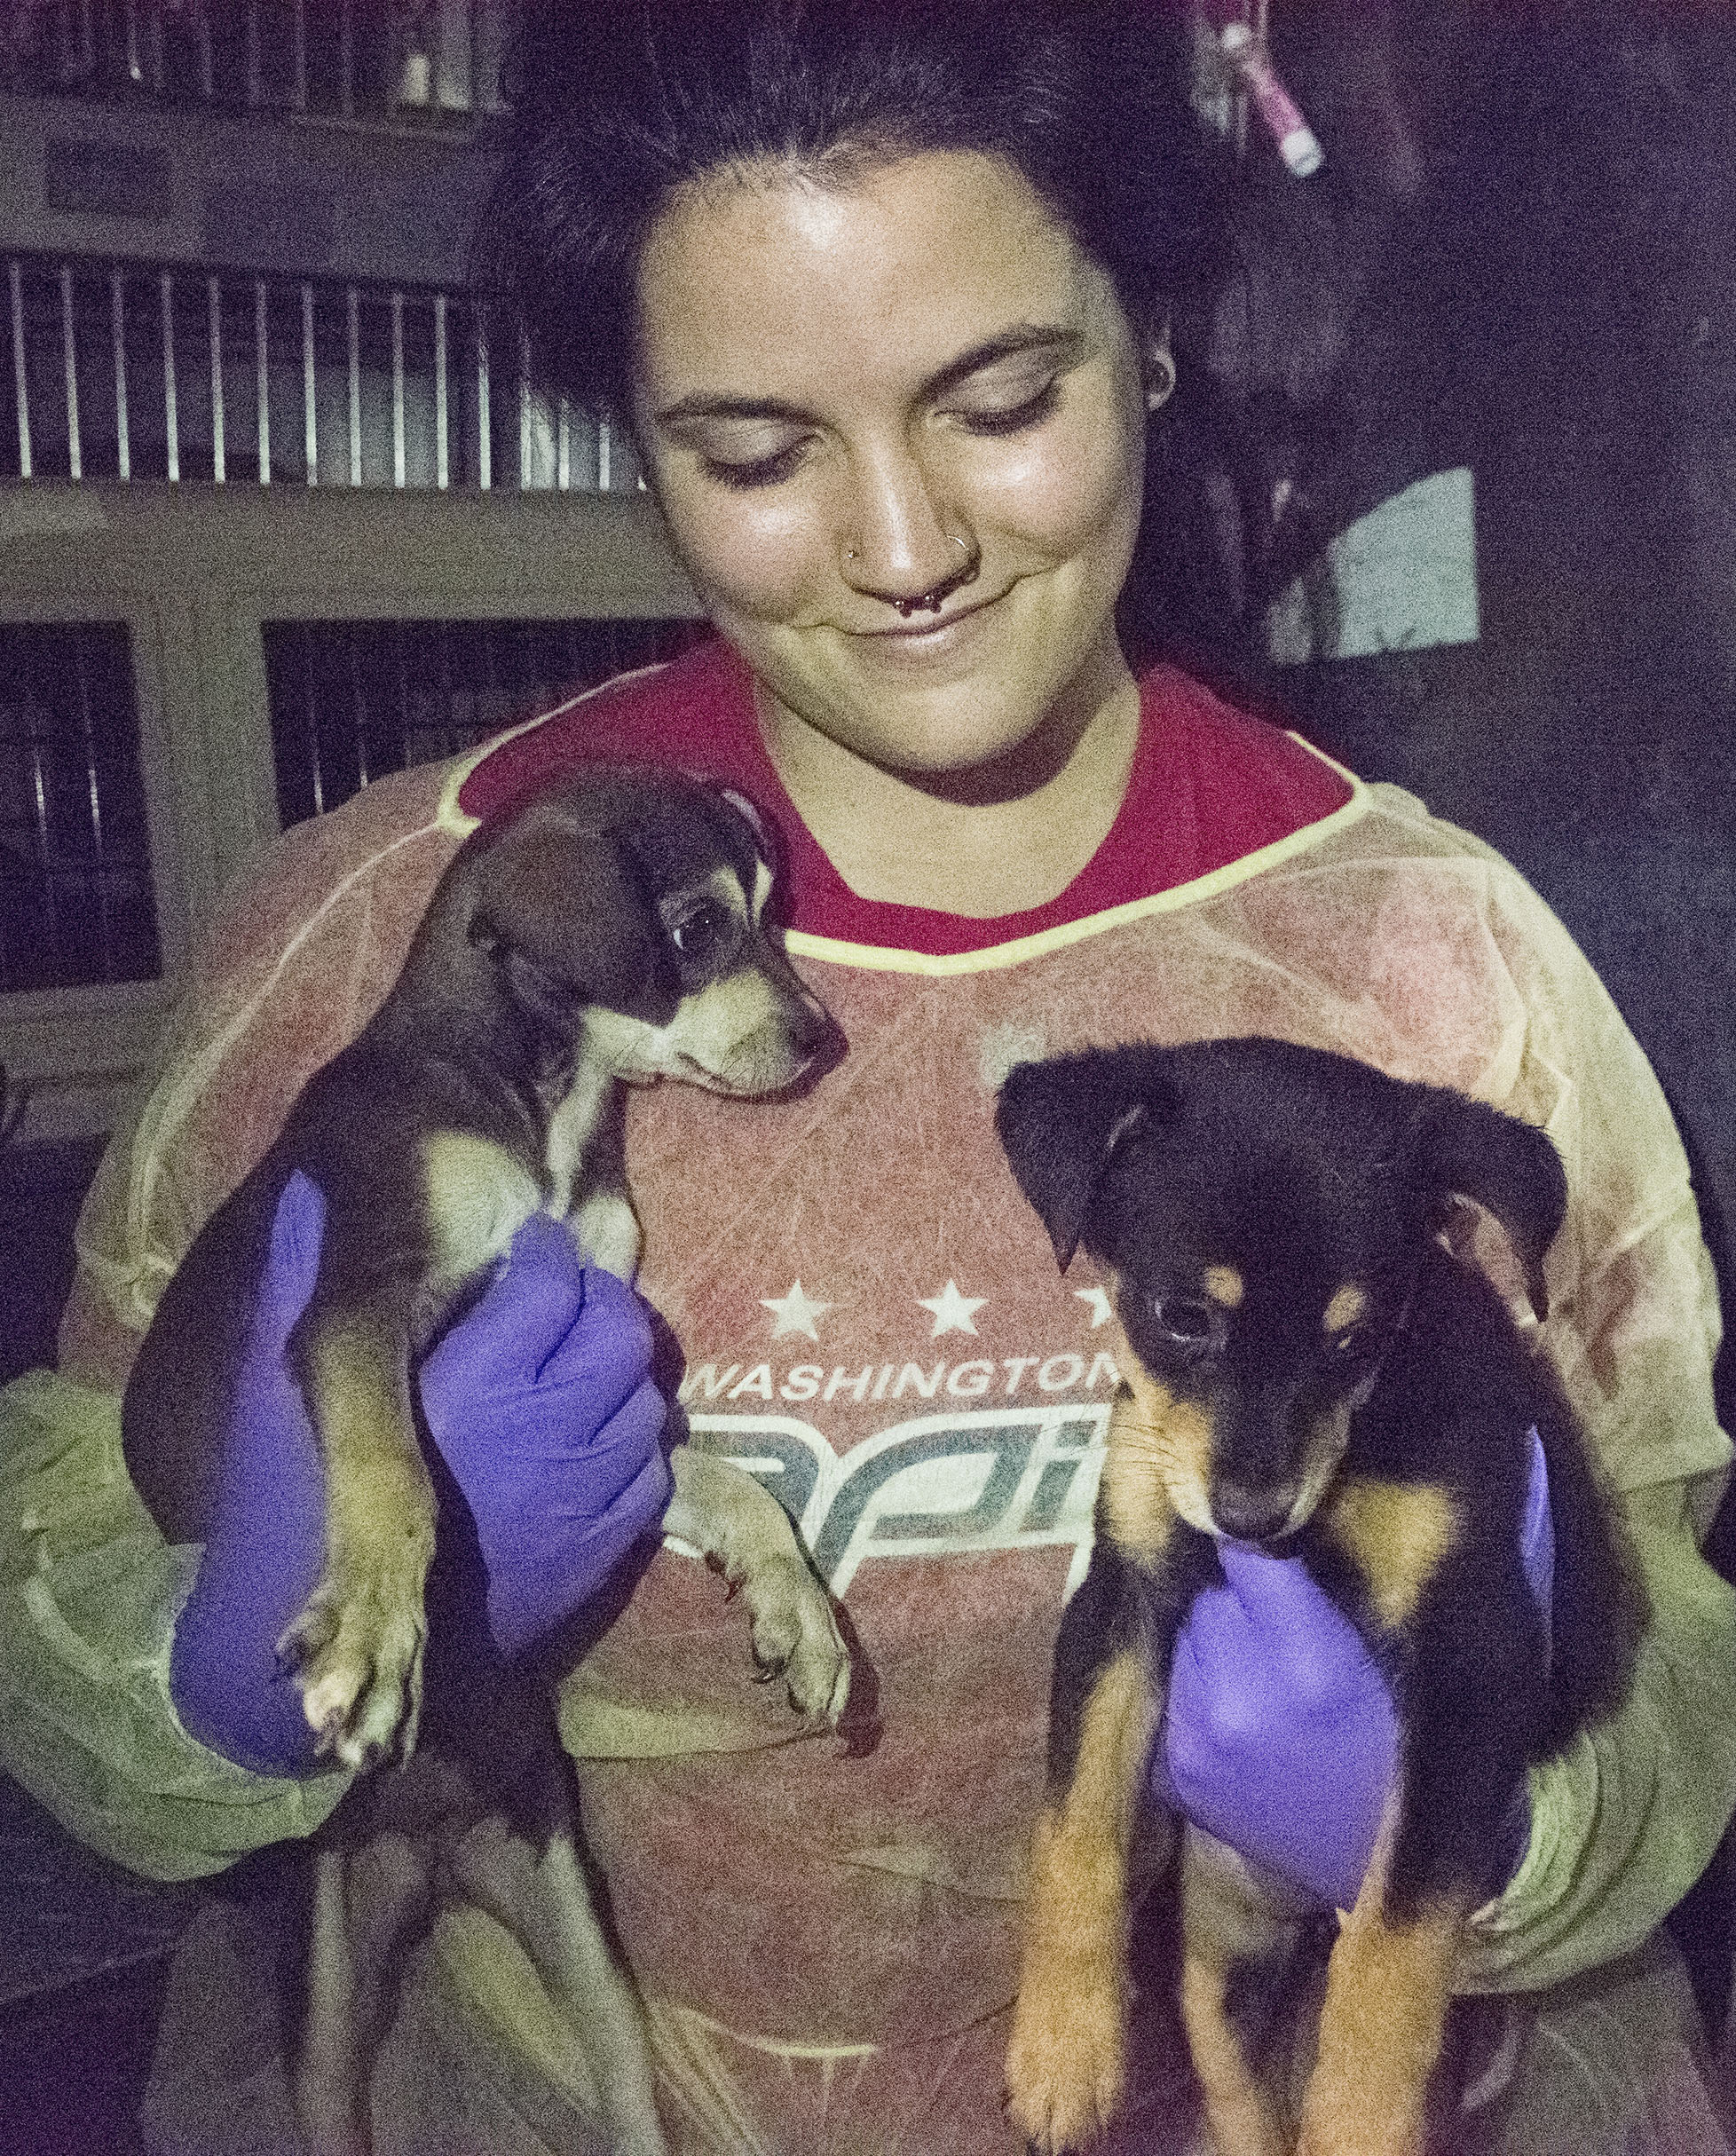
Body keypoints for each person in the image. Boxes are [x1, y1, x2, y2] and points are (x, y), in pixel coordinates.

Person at [1, 4, 1732, 2151]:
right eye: (753, 454)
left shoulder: (1431, 964)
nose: (904, 546)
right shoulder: (376, 942)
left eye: (1003, 402)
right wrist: (223, 1668)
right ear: (632, 443)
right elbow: (57, 1590)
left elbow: (1679, 1661)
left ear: (1153, 342)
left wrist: (1502, 1829)